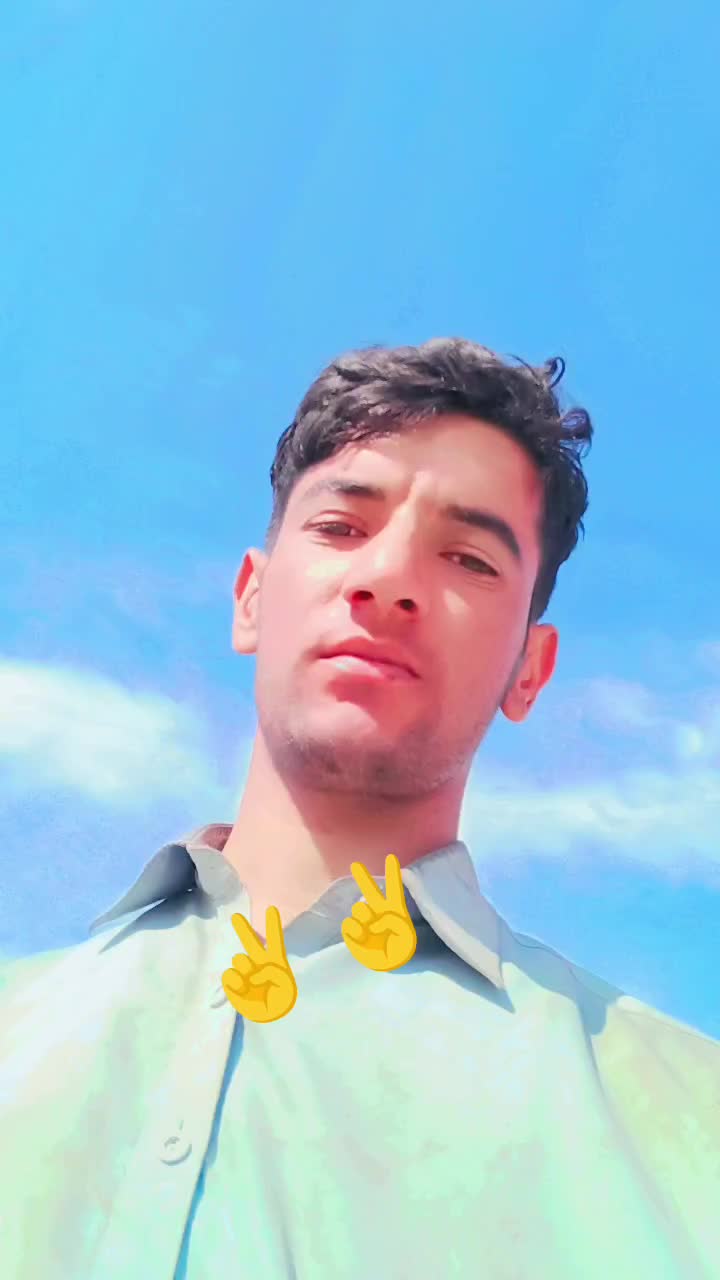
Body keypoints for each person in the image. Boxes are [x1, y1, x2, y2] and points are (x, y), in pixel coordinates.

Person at [1, 338, 718, 1279]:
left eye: (468, 558)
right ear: (251, 599)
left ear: (530, 670)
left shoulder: (694, 1126)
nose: (388, 579)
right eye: (341, 527)